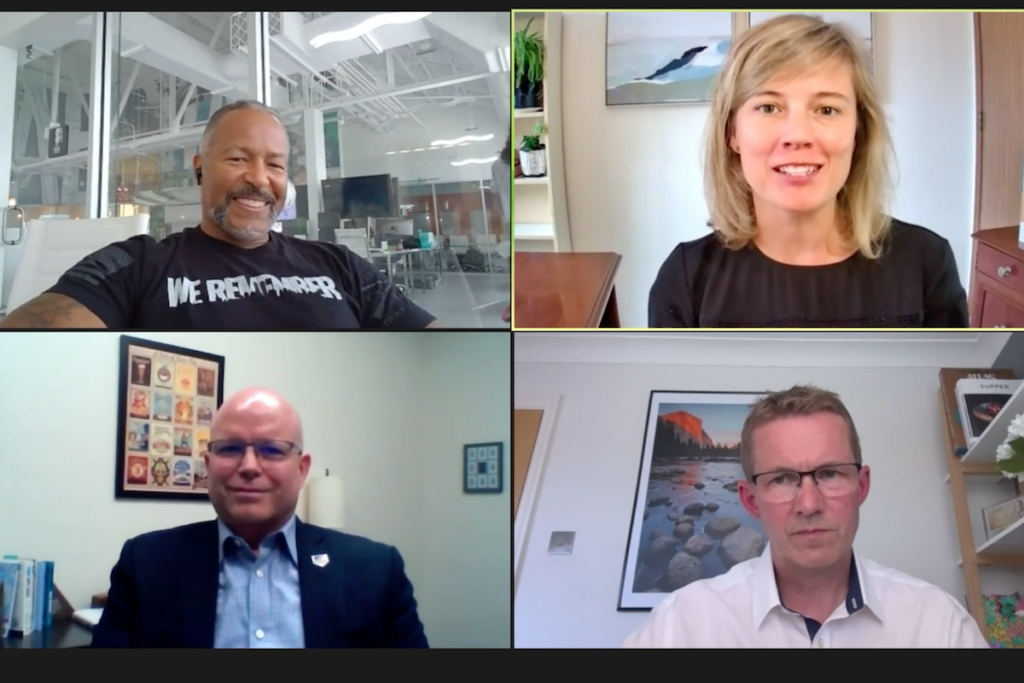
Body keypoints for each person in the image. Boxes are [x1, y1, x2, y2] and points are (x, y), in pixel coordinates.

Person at [0, 100, 440, 329]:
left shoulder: (338, 265)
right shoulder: (136, 264)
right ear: (199, 169)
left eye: (275, 165)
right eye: (236, 159)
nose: (258, 179)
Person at [648, 15, 969, 328]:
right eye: (768, 107)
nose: (797, 135)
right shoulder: (686, 280)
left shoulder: (927, 263)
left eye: (826, 109)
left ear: (859, 132)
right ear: (733, 132)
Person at [624, 385, 988, 648]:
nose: (809, 504)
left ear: (861, 486)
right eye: (781, 479)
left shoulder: (939, 624)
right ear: (749, 500)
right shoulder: (679, 627)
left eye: (829, 474)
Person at [92, 387, 429, 648]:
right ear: (208, 467)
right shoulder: (146, 562)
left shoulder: (376, 569)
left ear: (301, 469)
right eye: (230, 448)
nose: (250, 466)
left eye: (272, 450)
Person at [492, 132, 512, 324]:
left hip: (510, 221)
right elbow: (496, 198)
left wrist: (503, 218)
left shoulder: (498, 166)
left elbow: (495, 198)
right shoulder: (499, 166)